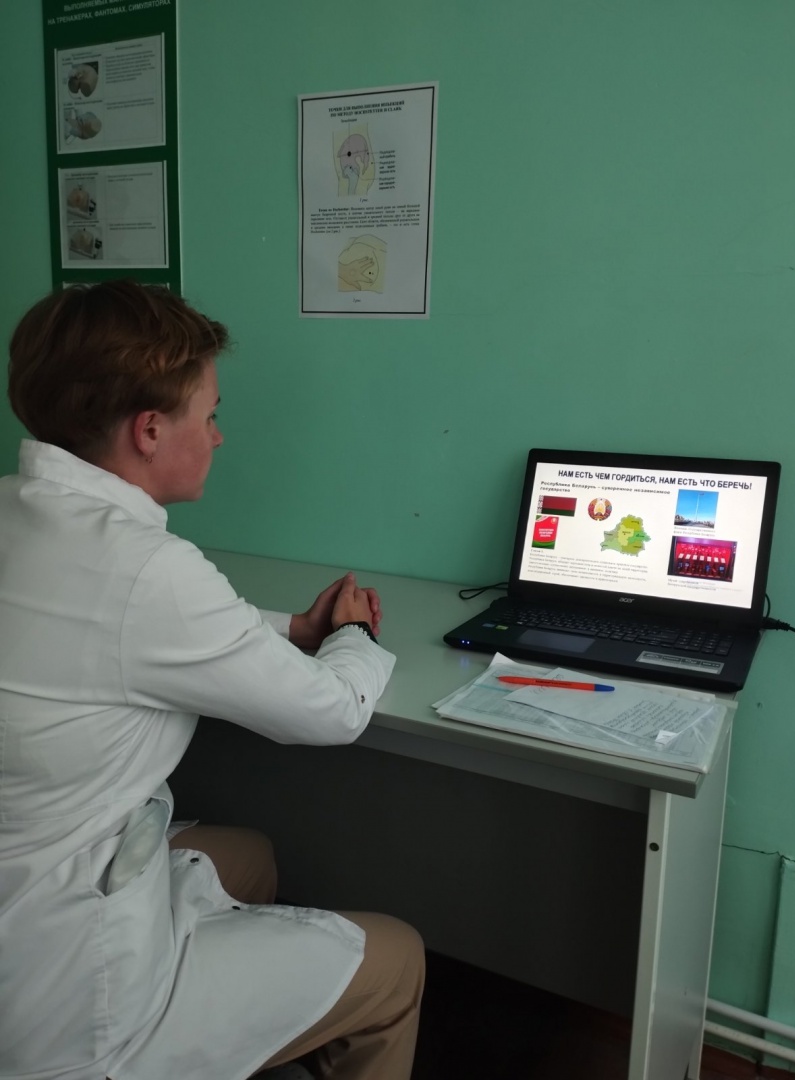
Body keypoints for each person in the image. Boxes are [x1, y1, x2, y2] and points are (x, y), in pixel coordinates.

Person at [0, 281, 425, 1080]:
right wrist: (354, 637)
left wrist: (289, 630)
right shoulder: (147, 569)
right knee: (396, 958)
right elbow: (332, 712)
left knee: (249, 856)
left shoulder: (18, 512)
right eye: (210, 414)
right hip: (62, 996)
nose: (219, 436)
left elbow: (113, 629)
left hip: (28, 884)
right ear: (150, 430)